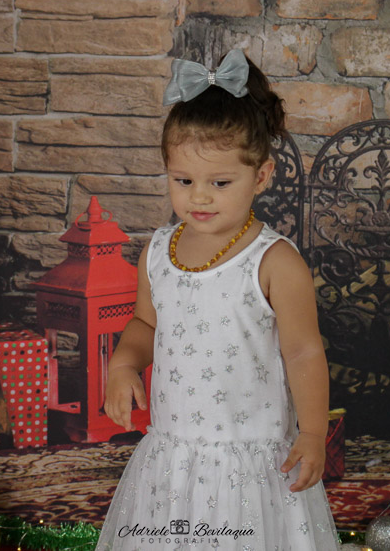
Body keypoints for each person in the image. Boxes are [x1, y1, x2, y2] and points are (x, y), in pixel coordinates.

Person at [96, 49, 339, 550]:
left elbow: (303, 352)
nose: (199, 196)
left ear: (261, 176)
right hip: (175, 456)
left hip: (249, 461)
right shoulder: (159, 251)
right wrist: (122, 365)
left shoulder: (274, 262)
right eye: (183, 181)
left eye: (220, 182)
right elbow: (145, 324)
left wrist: (313, 433)